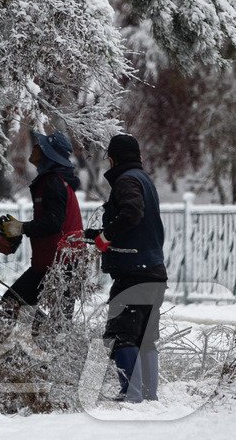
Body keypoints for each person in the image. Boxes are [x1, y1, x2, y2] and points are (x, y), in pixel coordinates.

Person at [85, 133, 167, 403]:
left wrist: (106, 236)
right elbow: (135, 225)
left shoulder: (126, 180)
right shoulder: (144, 180)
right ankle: (149, 395)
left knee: (121, 334)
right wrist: (94, 235)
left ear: (113, 158)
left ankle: (131, 394)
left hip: (134, 272)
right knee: (145, 337)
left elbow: (132, 213)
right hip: (153, 269)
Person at [0, 130, 85, 307]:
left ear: (49, 154)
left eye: (40, 146)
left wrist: (21, 228)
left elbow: (54, 222)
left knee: (13, 303)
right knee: (14, 303)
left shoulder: (54, 183)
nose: (34, 148)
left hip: (61, 264)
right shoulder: (52, 181)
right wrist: (19, 229)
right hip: (52, 262)